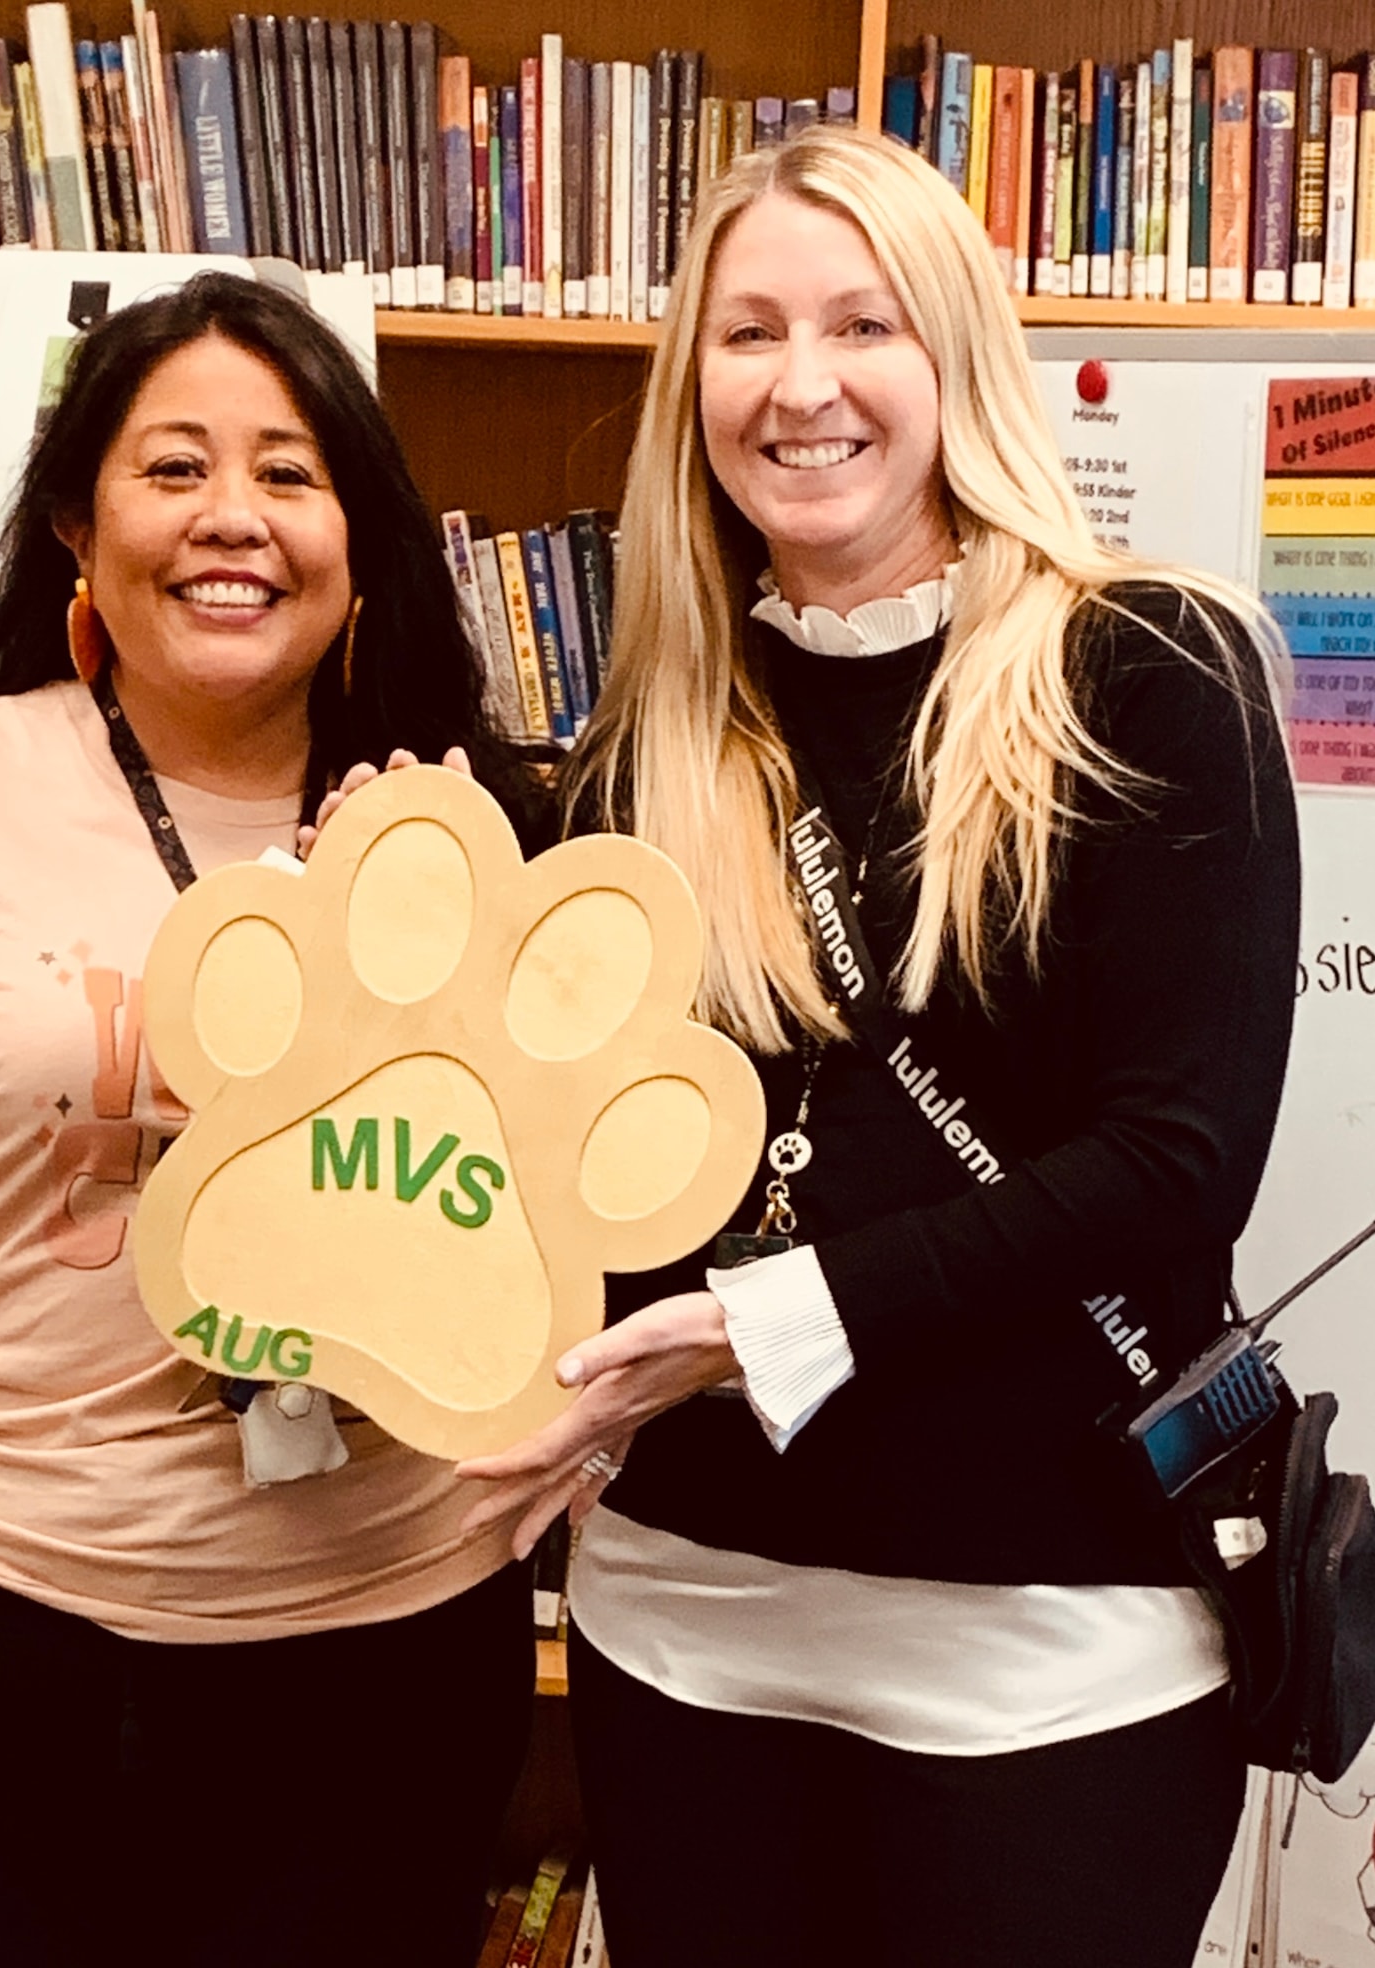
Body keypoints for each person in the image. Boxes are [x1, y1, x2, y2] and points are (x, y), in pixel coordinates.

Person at [459, 125, 1301, 1968]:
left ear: (957, 365)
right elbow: (576, 1164)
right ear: (696, 387)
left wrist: (761, 1321)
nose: (803, 384)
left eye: (863, 325)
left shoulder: (1147, 676)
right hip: (679, 1622)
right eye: (748, 333)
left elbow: (1172, 1169)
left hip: (1047, 1661)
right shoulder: (648, 747)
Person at [0, 271, 544, 1968]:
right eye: (174, 469)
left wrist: (413, 951)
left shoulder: (459, 835)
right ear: (78, 520)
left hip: (388, 1658)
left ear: (359, 538)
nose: (236, 519)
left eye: (292, 474)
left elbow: (528, 1240)